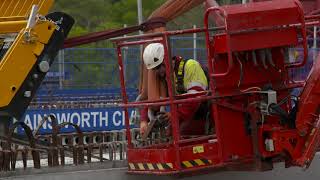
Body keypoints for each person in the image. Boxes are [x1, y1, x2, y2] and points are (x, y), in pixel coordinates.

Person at [140, 43, 208, 136]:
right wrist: (143, 120)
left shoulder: (190, 66)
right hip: (183, 117)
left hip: (201, 117)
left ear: (166, 58)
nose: (158, 72)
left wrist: (173, 115)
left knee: (182, 132)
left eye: (158, 67)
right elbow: (152, 100)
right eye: (154, 69)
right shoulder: (167, 77)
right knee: (171, 134)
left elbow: (195, 100)